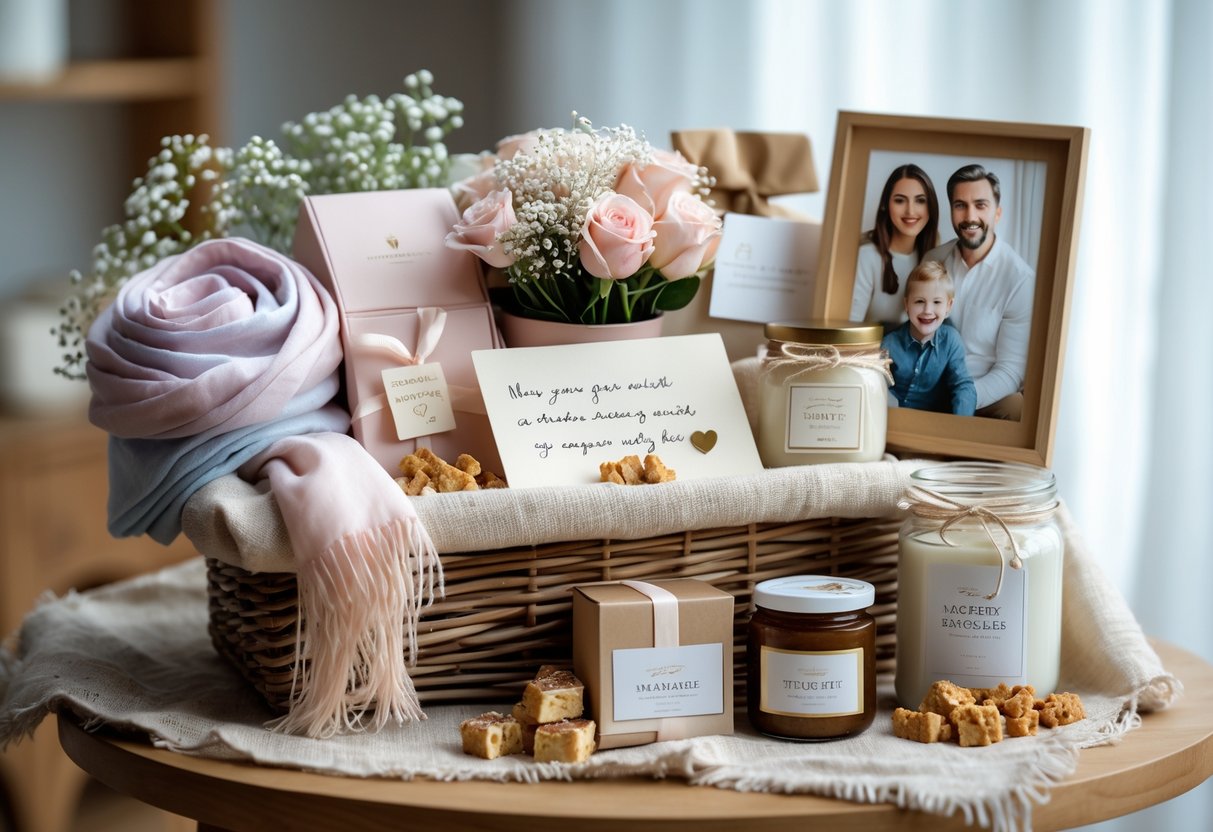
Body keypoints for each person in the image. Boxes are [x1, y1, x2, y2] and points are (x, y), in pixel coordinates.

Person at [923, 164, 1034, 420]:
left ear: (997, 214)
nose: (970, 216)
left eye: (980, 205)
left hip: (984, 392)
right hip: (931, 385)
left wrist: (963, 397)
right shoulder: (933, 260)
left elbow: (1010, 370)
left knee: (1017, 407)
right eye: (960, 205)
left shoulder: (1021, 280)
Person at [850, 164, 940, 329]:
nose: (910, 210)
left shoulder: (936, 259)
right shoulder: (867, 257)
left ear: (931, 208)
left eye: (920, 201)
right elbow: (849, 327)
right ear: (885, 205)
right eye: (900, 200)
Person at [882, 260, 976, 416]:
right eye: (919, 301)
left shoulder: (951, 341)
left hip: (935, 420)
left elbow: (962, 385)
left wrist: (962, 424)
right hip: (895, 417)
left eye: (937, 302)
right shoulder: (890, 343)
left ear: (949, 306)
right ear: (907, 305)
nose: (927, 310)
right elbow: (876, 383)